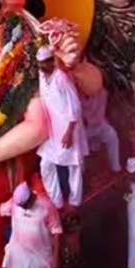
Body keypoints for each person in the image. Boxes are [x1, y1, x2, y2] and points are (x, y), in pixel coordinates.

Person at [0, 182, 62, 268]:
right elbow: (1, 209)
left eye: (26, 205)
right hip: (19, 255)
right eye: (21, 206)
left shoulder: (46, 206)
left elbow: (57, 231)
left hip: (41, 255)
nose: (23, 208)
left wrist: (55, 257)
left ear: (32, 197)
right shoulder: (15, 203)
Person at [36, 46, 89, 209]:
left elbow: (76, 107)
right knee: (46, 164)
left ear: (52, 62)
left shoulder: (62, 79)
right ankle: (56, 201)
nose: (42, 67)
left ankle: (75, 201)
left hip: (68, 128)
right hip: (52, 130)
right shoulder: (42, 75)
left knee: (74, 166)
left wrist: (69, 132)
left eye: (45, 63)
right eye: (40, 64)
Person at [81, 86, 121, 173]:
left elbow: (100, 115)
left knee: (112, 134)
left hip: (99, 125)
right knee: (78, 144)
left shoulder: (102, 92)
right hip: (82, 130)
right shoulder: (75, 93)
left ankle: (115, 168)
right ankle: (82, 174)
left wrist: (87, 120)